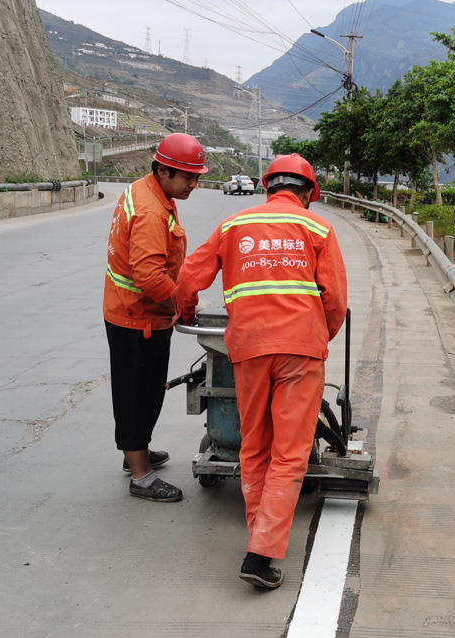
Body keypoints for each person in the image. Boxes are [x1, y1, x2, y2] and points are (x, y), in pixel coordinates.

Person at [173, 154, 348, 587]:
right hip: (300, 351)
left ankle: (260, 536)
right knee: (290, 453)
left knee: (255, 446)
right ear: (309, 194)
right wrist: (315, 337)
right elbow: (335, 302)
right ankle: (259, 554)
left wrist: (188, 310)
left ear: (268, 188)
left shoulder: (234, 226)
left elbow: (187, 279)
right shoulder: (318, 229)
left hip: (248, 349)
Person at [103, 132, 208, 503]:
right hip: (138, 317)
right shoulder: (150, 210)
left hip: (132, 311)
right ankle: (141, 474)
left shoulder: (148, 191)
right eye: (188, 178)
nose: (195, 185)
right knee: (138, 394)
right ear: (163, 171)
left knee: (140, 391)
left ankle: (137, 452)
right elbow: (148, 276)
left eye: (197, 177)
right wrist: (180, 303)